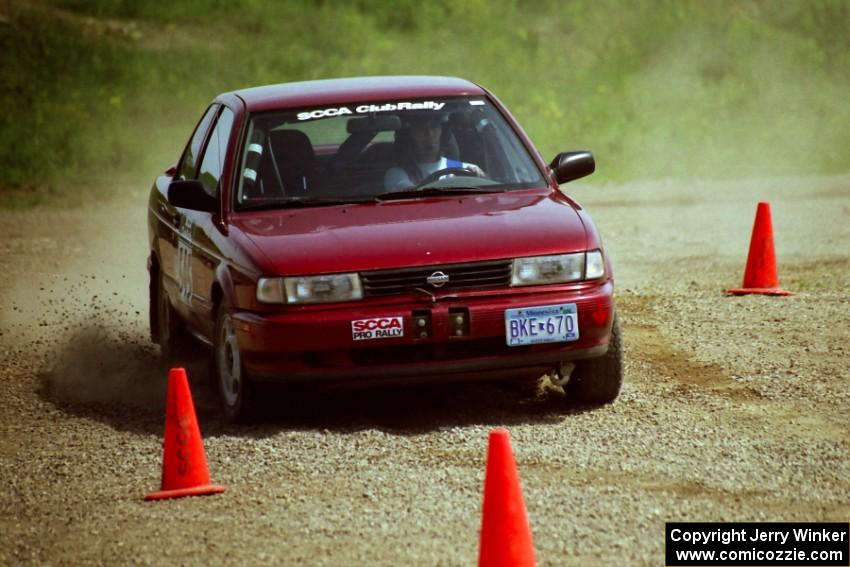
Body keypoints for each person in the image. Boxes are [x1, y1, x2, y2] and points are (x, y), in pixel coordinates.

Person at [383, 113, 484, 191]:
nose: (429, 134)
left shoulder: (467, 170)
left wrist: (479, 178)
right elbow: (412, 193)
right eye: (420, 129)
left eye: (434, 127)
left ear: (442, 132)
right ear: (410, 136)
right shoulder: (396, 175)